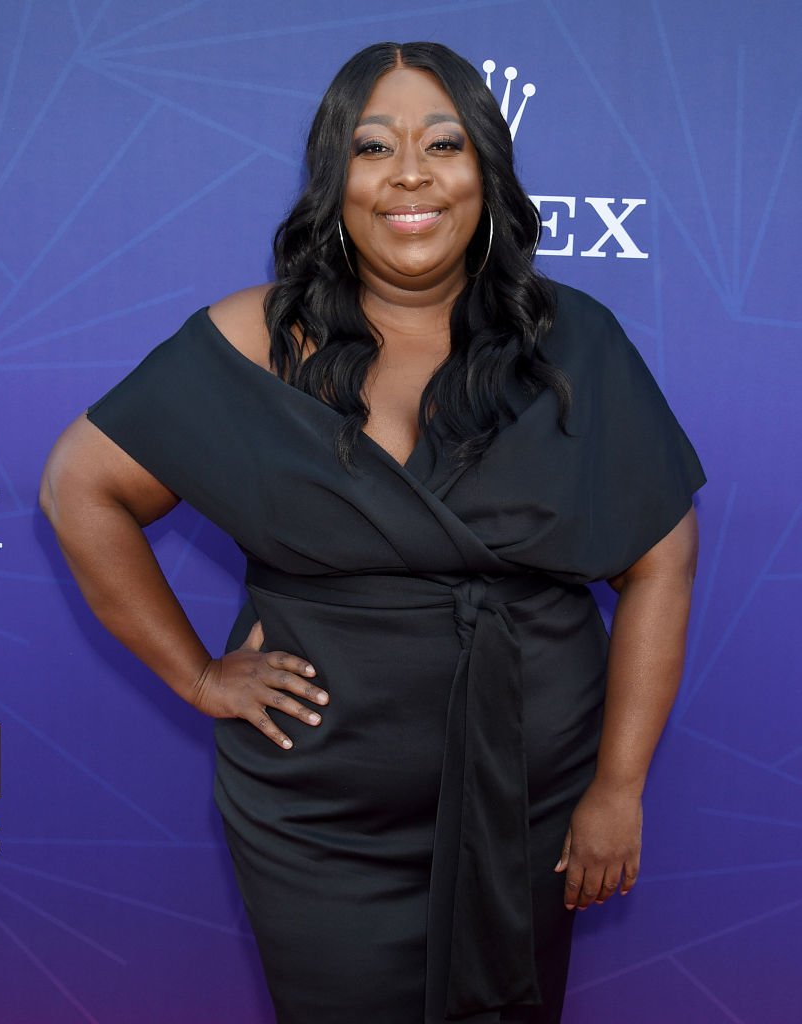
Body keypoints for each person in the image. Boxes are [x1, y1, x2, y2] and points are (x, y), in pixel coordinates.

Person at [40, 41, 705, 1024]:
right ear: (332, 178)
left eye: (443, 144)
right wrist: (197, 674)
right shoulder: (248, 342)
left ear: (484, 169)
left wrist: (617, 787)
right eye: (371, 147)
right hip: (319, 818)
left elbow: (664, 556)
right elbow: (78, 485)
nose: (409, 175)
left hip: (528, 799)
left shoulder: (574, 342)